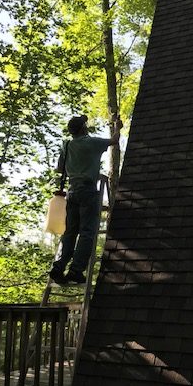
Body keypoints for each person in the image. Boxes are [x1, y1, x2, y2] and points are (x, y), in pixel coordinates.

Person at [49, 114, 123, 285]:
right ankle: (75, 270)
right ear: (83, 128)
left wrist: (76, 166)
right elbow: (114, 140)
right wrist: (118, 127)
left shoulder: (67, 145)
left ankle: (58, 268)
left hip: (72, 192)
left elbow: (60, 168)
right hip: (87, 191)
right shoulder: (92, 143)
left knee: (70, 232)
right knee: (87, 232)